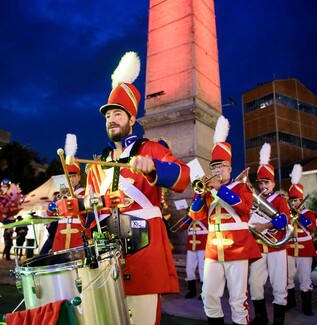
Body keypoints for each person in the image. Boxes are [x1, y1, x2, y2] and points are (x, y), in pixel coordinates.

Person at [56, 51, 190, 325]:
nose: (112, 120)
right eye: (108, 116)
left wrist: (153, 167)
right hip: (106, 257)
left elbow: (183, 176)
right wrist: (77, 206)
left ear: (131, 120)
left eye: (118, 114)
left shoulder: (151, 149)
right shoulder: (95, 164)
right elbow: (93, 210)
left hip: (144, 251)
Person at [189, 115, 262, 325]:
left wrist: (219, 188)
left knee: (238, 299)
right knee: (208, 295)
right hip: (213, 249)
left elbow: (244, 208)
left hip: (237, 246)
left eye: (221, 167)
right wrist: (200, 196)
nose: (217, 170)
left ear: (230, 168)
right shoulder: (208, 191)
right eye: (213, 167)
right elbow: (195, 215)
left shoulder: (241, 187)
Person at [248, 143, 290, 325]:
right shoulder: (254, 201)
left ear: (273, 183)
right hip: (259, 248)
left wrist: (264, 225)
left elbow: (284, 221)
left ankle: (279, 321)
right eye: (261, 183)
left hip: (276, 248)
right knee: (255, 284)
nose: (263, 186)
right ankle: (260, 317)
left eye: (266, 182)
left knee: (279, 285)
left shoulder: (279, 200)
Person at [286, 164, 316, 316]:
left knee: (305, 279)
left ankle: (306, 306)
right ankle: (290, 302)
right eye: (292, 201)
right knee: (288, 277)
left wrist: (299, 216)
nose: (294, 203)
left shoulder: (309, 213)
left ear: (301, 200)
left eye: (296, 201)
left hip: (305, 248)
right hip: (290, 248)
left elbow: (311, 227)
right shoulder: (289, 213)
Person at [52, 162, 85, 252]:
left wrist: (80, 200)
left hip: (78, 231)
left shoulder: (84, 193)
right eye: (68, 177)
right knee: (57, 258)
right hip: (61, 232)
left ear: (79, 177)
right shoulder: (61, 194)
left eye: (73, 176)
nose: (71, 179)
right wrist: (56, 201)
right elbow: (49, 212)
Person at [180, 210, 208, 299]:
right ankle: (192, 290)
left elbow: (208, 224)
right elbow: (182, 226)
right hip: (191, 246)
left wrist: (198, 214)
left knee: (203, 268)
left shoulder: (205, 216)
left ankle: (204, 292)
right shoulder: (190, 217)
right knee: (189, 268)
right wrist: (189, 216)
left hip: (203, 245)